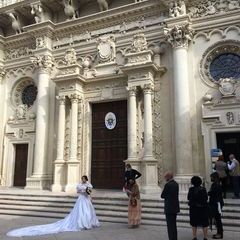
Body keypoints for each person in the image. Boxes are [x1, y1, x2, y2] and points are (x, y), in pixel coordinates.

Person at [7, 175, 100, 237]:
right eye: (82, 179)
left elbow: (89, 192)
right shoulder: (79, 185)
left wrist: (89, 195)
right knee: (81, 212)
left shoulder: (89, 185)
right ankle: (82, 224)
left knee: (88, 212)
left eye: (83, 179)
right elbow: (78, 191)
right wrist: (82, 191)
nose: (82, 180)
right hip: (81, 199)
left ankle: (88, 223)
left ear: (86, 179)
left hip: (86, 200)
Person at [187, 176, 209, 240]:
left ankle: (194, 237)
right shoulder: (203, 189)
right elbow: (206, 198)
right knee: (204, 223)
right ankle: (205, 237)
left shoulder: (191, 189)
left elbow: (188, 198)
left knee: (194, 223)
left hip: (194, 208)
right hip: (203, 208)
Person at [161, 171, 180, 240]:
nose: (165, 178)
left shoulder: (168, 185)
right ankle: (174, 238)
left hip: (169, 207)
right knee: (173, 225)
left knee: (170, 225)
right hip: (175, 207)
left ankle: (172, 238)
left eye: (165, 177)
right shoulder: (176, 184)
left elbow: (162, 195)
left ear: (168, 177)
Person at [208, 172, 224, 239]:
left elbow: (211, 193)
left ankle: (220, 234)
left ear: (214, 178)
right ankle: (218, 233)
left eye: (211, 177)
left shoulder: (215, 185)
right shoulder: (217, 184)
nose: (211, 178)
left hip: (217, 203)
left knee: (218, 219)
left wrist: (208, 192)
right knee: (217, 219)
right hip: (217, 203)